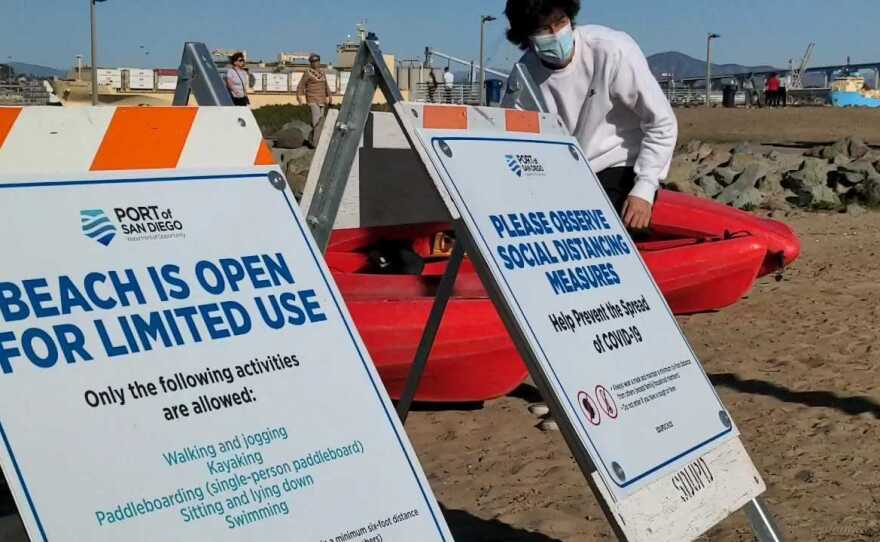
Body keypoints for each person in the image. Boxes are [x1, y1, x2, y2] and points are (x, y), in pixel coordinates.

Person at [504, 0, 677, 230]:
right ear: (525, 37)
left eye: (560, 22)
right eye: (544, 29)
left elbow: (662, 123)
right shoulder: (523, 78)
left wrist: (645, 187)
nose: (556, 35)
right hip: (565, 177)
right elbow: (512, 143)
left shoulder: (612, 50)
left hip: (620, 164)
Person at [297, 53, 332, 133]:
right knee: (316, 119)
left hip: (322, 99)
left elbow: (326, 85)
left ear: (319, 62)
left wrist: (330, 97)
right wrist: (299, 98)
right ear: (311, 63)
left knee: (321, 120)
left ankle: (317, 137)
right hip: (312, 99)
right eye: (313, 61)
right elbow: (301, 85)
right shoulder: (308, 72)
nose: (315, 63)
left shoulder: (322, 73)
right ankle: (316, 140)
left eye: (317, 61)